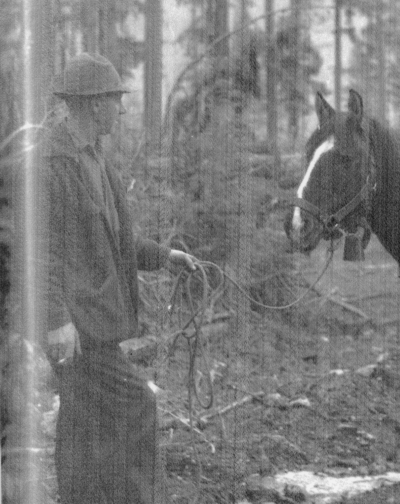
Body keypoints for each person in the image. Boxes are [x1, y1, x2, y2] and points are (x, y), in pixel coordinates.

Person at [39, 52, 195, 504]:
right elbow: (39, 251)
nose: (121, 109)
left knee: (82, 423)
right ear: (92, 104)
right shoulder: (52, 165)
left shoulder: (95, 159)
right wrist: (55, 320)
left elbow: (115, 238)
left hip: (93, 321)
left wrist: (165, 256)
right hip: (78, 327)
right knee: (136, 406)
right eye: (115, 99)